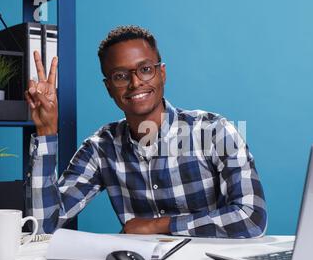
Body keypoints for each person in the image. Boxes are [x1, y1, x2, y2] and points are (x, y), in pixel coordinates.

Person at [24, 25, 267, 238]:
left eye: (145, 69)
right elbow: (43, 226)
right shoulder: (101, 148)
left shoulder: (214, 132)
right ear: (109, 88)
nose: (135, 83)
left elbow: (252, 218)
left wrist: (159, 225)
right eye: (120, 76)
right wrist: (46, 131)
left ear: (162, 73)